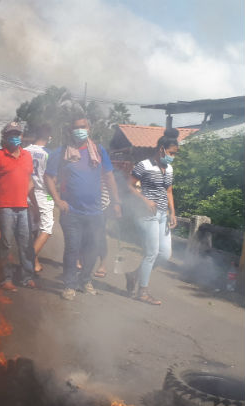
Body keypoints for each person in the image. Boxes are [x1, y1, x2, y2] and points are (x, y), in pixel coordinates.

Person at [44, 113, 122, 301]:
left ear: (89, 129)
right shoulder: (61, 152)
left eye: (83, 127)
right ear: (71, 131)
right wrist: (57, 200)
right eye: (76, 127)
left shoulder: (99, 151)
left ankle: (85, 280)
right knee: (72, 248)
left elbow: (109, 176)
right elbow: (48, 177)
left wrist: (117, 202)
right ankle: (69, 285)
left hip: (95, 212)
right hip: (72, 212)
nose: (80, 131)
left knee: (93, 248)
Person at [124, 128, 179, 305]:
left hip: (163, 214)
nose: (173, 157)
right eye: (171, 153)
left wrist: (173, 212)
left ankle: (134, 275)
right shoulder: (144, 165)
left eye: (175, 154)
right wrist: (145, 200)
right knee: (152, 253)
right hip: (146, 213)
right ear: (161, 149)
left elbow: (169, 191)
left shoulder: (169, 168)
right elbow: (129, 186)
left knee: (165, 254)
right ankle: (143, 292)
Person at [0, 122, 36, 291]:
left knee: (25, 243)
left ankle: (27, 276)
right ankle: (5, 278)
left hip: (23, 207)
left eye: (17, 134)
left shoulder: (27, 156)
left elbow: (30, 181)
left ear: (22, 136)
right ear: (5, 137)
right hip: (5, 207)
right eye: (11, 134)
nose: (14, 137)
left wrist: (34, 205)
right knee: (6, 243)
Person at [24, 123, 54, 274]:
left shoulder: (23, 151)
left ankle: (34, 263)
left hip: (25, 193)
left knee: (33, 230)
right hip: (43, 194)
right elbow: (52, 178)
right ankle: (28, 259)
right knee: (46, 229)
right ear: (49, 137)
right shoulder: (50, 153)